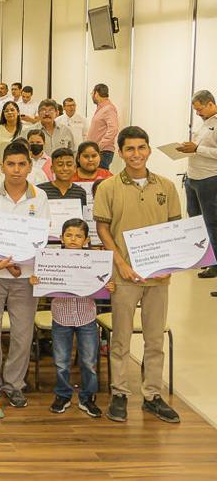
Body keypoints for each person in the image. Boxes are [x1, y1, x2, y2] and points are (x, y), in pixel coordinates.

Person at [94, 126, 182, 424]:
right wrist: (120, 264)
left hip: (159, 276)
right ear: (120, 152)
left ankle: (152, 395)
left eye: (141, 147)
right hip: (124, 275)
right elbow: (103, 228)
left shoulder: (166, 186)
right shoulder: (108, 187)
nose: (136, 154)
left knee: (154, 339)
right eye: (129, 149)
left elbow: (174, 230)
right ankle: (119, 393)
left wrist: (169, 264)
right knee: (120, 339)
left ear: (149, 149)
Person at [0, 141, 51, 409]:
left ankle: (14, 385)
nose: (16, 170)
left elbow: (39, 236)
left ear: (30, 167)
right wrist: (5, 264)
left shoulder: (40, 197)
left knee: (22, 334)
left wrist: (18, 265)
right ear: (2, 167)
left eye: (21, 164)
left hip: (25, 276)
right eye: (11, 164)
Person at [29, 218, 110, 417]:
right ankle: (63, 395)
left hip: (87, 318)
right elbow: (42, 284)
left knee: (89, 362)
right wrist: (36, 281)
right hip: (61, 318)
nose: (73, 239)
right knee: (61, 362)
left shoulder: (95, 261)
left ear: (86, 240)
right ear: (61, 238)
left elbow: (105, 284)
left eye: (78, 236)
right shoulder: (50, 259)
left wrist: (109, 285)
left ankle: (87, 398)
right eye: (69, 235)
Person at [176, 90, 217, 280]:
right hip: (192, 177)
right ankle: (204, 257)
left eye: (200, 109)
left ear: (210, 104)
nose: (198, 113)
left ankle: (215, 265)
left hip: (209, 179)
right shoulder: (204, 123)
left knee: (211, 222)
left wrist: (197, 148)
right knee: (196, 222)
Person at [87, 83, 119, 169]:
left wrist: (99, 146)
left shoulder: (109, 108)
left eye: (92, 93)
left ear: (96, 93)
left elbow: (113, 129)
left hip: (102, 152)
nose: (91, 96)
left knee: (100, 177)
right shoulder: (102, 108)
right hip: (97, 151)